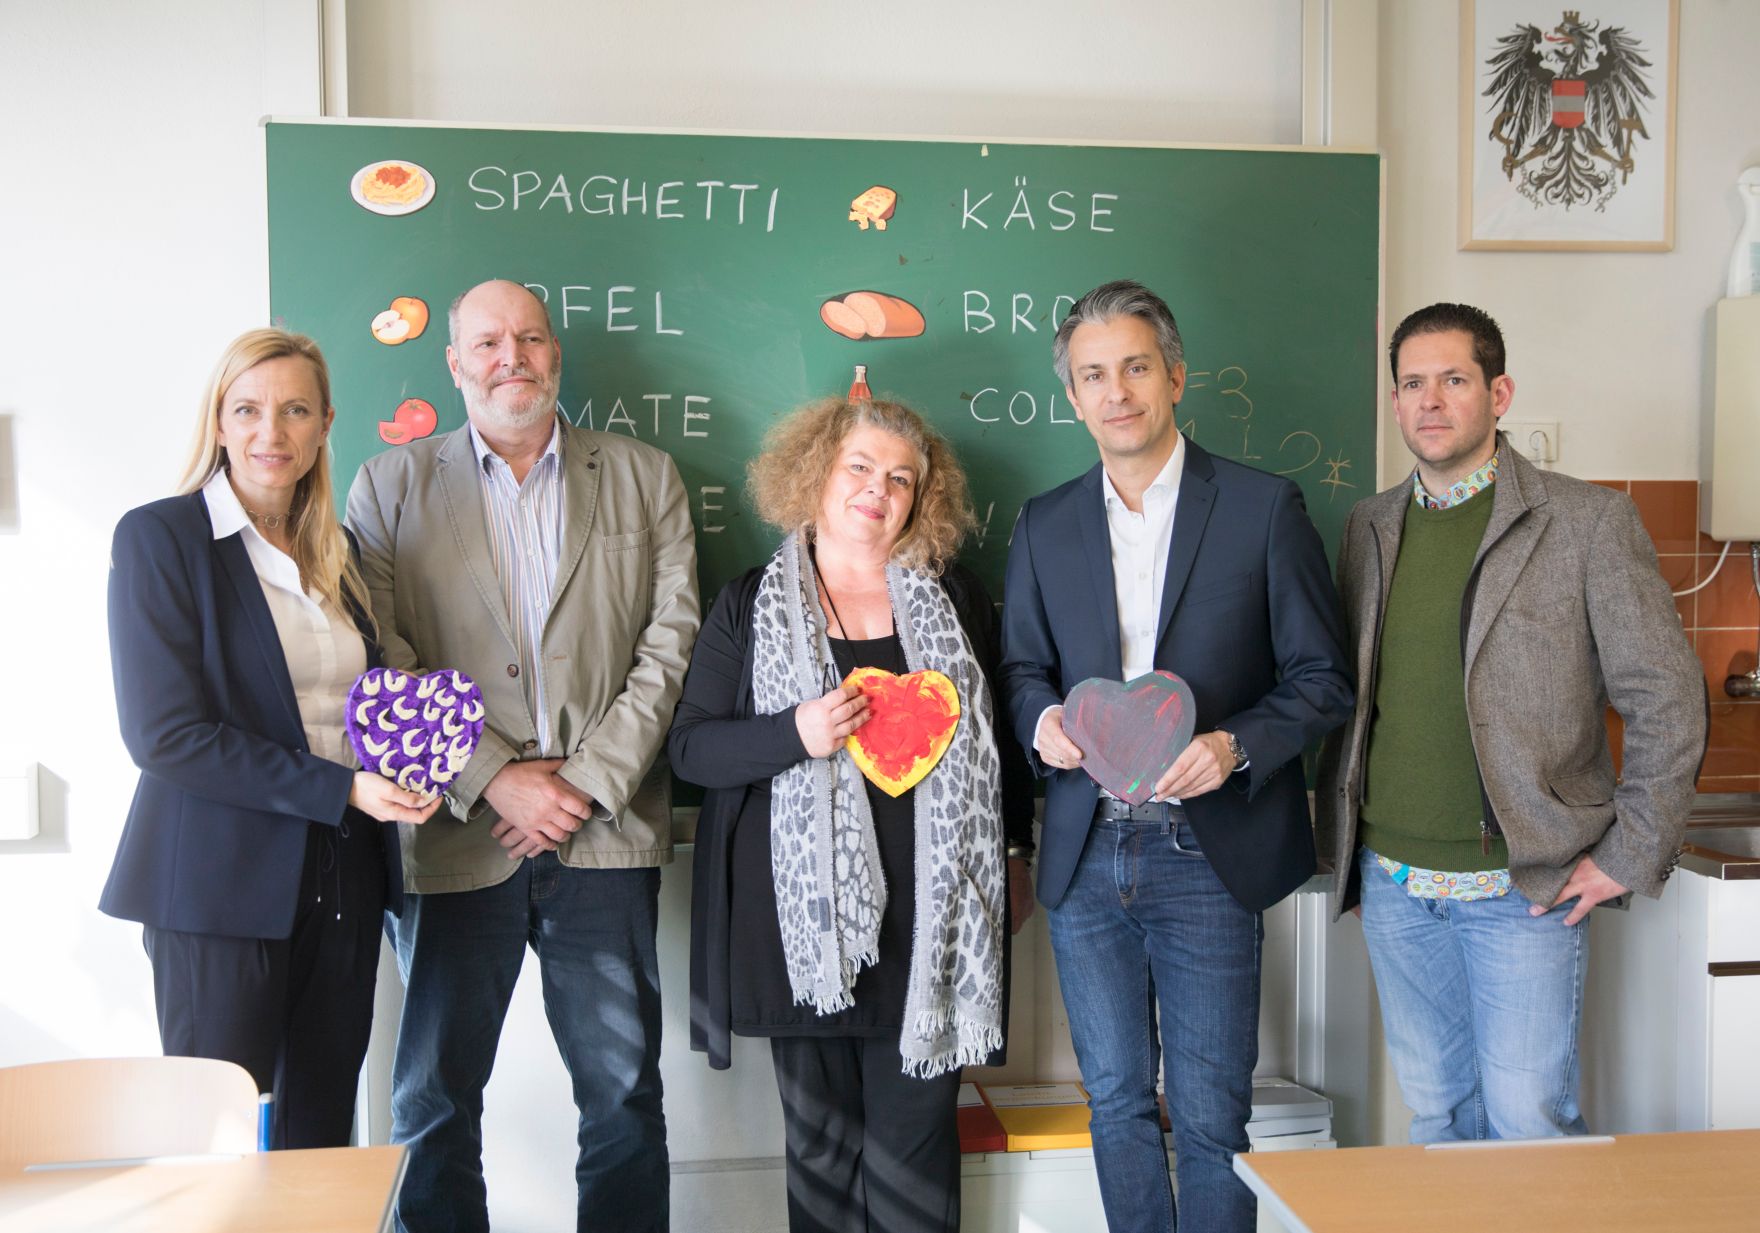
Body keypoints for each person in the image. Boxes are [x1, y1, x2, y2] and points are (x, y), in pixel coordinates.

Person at [345, 279, 699, 1233]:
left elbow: (672, 643)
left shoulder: (644, 476)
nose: (514, 357)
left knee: (622, 1097)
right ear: (454, 363)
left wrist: (580, 783)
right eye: (489, 341)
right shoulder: (387, 486)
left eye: (532, 338)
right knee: (432, 1099)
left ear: (556, 354)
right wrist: (493, 775)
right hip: (456, 837)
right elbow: (380, 652)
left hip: (603, 832)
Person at [999, 280, 1353, 1233]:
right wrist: (1042, 722)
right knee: (1114, 1101)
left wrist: (1234, 746)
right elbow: (1022, 669)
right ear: (1072, 396)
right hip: (1085, 849)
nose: (1116, 392)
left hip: (1208, 848)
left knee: (1208, 1116)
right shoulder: (1043, 522)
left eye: (1136, 367)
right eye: (1093, 375)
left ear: (1176, 376)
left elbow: (1323, 678)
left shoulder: (1263, 507)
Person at [1315, 302, 1706, 1142]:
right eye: (1412, 384)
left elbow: (1667, 696)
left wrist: (1629, 852)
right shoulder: (1368, 527)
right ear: (1395, 401)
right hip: (1395, 885)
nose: (1430, 401)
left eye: (1453, 380)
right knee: (1438, 1116)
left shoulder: (1586, 522)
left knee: (1530, 1127)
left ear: (1499, 394)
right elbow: (1356, 699)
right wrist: (1352, 856)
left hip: (1523, 888)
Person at [669, 396, 1035, 1233]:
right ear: (816, 472)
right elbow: (691, 749)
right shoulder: (749, 601)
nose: (879, 489)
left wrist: (1017, 851)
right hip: (804, 936)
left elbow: (1002, 748)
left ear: (921, 499)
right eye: (860, 467)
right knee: (822, 1160)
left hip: (936, 933)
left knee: (919, 1162)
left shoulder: (956, 598)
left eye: (902, 478)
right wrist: (793, 733)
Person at [101, 328, 440, 1149]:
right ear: (218, 422)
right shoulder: (161, 538)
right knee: (217, 1146)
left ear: (325, 424)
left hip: (345, 874)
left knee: (316, 1140)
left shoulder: (338, 553)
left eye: (295, 410)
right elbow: (163, 735)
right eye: (248, 409)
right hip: (217, 884)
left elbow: (350, 704)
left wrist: (414, 758)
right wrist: (343, 785)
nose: (271, 432)